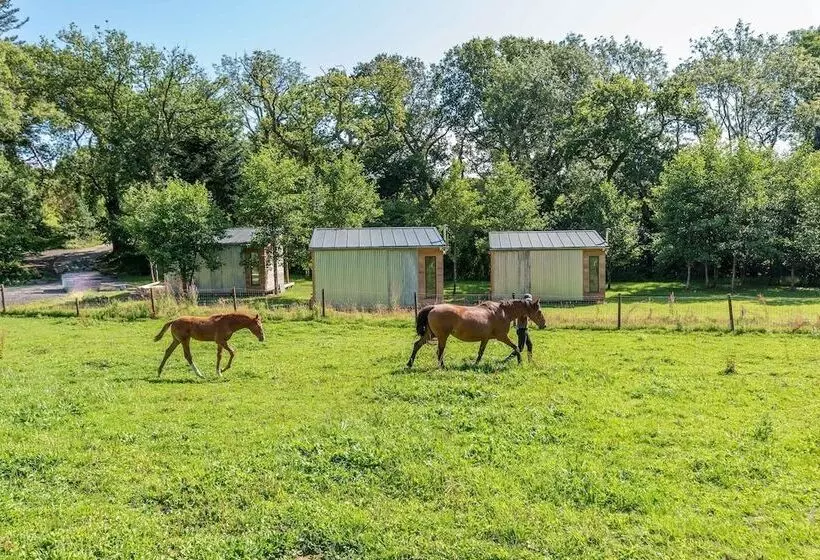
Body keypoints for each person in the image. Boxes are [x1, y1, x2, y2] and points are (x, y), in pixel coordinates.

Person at [516, 293, 534, 360]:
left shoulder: (526, 308)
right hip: (521, 329)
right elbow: (522, 316)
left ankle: (530, 360)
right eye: (527, 301)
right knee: (520, 348)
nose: (528, 302)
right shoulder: (521, 308)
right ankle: (507, 360)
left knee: (529, 345)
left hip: (525, 329)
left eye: (529, 301)